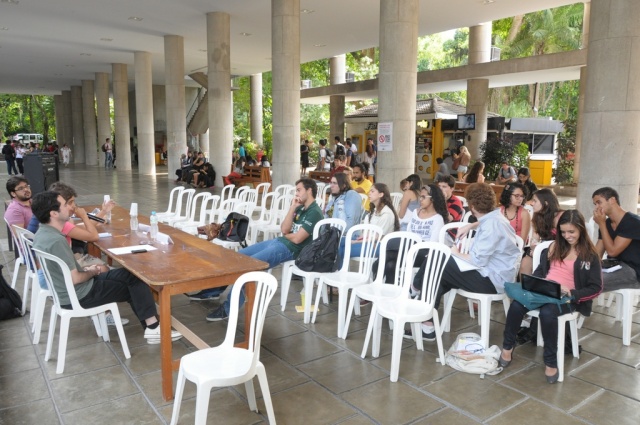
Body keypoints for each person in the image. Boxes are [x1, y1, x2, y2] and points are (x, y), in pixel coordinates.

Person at [31, 191, 182, 344]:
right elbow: (75, 278)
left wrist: (90, 271)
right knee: (134, 286)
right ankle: (153, 328)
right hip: (79, 295)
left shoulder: (42, 233)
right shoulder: (56, 241)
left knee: (131, 276)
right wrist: (93, 271)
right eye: (65, 205)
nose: (70, 207)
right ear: (53, 213)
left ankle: (152, 328)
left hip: (68, 291)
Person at [500, 210, 602, 384]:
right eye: (563, 232)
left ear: (581, 229)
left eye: (571, 232)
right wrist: (537, 282)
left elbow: (596, 288)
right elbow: (541, 271)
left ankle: (550, 361)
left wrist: (573, 293)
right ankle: (507, 347)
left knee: (548, 313)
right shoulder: (554, 247)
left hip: (568, 297)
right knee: (516, 305)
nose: (567, 236)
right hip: (545, 290)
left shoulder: (589, 255)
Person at [206, 178, 323, 321]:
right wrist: (292, 207)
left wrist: (288, 235)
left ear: (309, 190)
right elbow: (284, 229)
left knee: (248, 267)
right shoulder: (299, 208)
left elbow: (298, 239)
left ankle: (228, 308)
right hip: (279, 242)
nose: (296, 193)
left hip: (291, 249)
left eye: (299, 190)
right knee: (237, 257)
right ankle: (213, 291)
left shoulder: (314, 212)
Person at [415, 183, 519, 341]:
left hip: (492, 281)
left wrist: (456, 253)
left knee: (438, 257)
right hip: (494, 275)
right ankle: (427, 324)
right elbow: (486, 222)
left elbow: (477, 260)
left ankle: (416, 288)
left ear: (472, 206)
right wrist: (471, 226)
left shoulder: (491, 225)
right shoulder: (495, 217)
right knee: (438, 274)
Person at [516, 188, 564, 344]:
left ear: (546, 203)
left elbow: (566, 241)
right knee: (526, 261)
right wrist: (533, 247)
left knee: (535, 261)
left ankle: (533, 300)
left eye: (535, 201)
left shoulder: (560, 217)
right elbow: (535, 239)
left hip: (560, 255)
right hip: (542, 253)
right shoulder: (537, 217)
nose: (532, 203)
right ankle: (527, 300)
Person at [338, 183, 400, 268]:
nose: (369, 193)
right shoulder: (374, 211)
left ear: (381, 194)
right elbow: (366, 233)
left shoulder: (387, 214)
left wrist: (356, 242)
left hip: (378, 246)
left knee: (343, 249)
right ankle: (338, 270)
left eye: (372, 191)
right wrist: (359, 239)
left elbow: (376, 238)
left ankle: (340, 271)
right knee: (339, 241)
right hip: (368, 242)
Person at [592, 187, 640, 291]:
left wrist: (601, 224)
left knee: (592, 282)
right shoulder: (606, 223)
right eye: (595, 204)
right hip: (613, 265)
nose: (596, 207)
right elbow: (597, 254)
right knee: (578, 275)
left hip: (634, 270)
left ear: (612, 200)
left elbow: (612, 251)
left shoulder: (632, 222)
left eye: (599, 202)